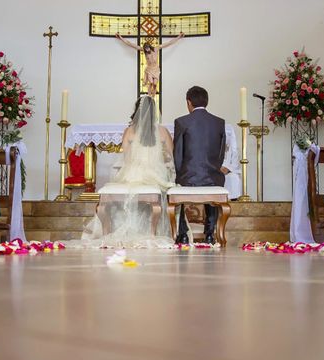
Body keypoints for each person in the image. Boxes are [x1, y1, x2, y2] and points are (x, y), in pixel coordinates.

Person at [79, 96, 176, 248]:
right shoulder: (163, 132)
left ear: (137, 111)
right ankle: (152, 233)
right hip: (156, 176)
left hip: (133, 173)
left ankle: (115, 231)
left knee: (121, 190)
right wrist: (159, 161)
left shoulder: (130, 131)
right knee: (166, 186)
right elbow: (171, 157)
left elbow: (126, 157)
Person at [174, 87, 226, 244]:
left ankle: (182, 233)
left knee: (175, 186)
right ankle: (209, 233)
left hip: (188, 178)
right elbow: (220, 154)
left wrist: (178, 175)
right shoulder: (219, 122)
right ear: (206, 101)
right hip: (212, 177)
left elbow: (178, 154)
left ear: (189, 102)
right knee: (213, 184)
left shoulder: (182, 122)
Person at [115, 33, 184, 97]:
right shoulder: (144, 51)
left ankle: (153, 95)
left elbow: (168, 43)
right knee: (151, 83)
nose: (147, 50)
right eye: (145, 49)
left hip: (156, 69)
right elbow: (131, 44)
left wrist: (179, 37)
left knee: (154, 84)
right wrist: (121, 38)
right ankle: (149, 96)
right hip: (149, 69)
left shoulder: (156, 49)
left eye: (147, 48)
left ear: (149, 47)